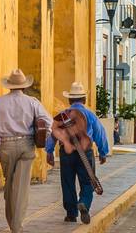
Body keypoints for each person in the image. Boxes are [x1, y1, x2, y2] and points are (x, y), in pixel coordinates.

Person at [0, 69, 53, 233]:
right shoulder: (32, 102)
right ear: (23, 86)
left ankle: (12, 223)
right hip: (26, 145)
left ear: (10, 86)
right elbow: (48, 123)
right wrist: (44, 140)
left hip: (6, 146)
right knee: (20, 187)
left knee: (10, 185)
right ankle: (17, 226)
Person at [46, 82, 108, 225]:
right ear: (84, 100)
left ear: (69, 100)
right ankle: (84, 203)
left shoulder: (62, 116)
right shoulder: (90, 115)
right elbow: (100, 133)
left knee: (67, 182)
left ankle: (71, 214)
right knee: (87, 181)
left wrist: (49, 152)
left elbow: (53, 134)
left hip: (66, 152)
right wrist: (103, 152)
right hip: (85, 152)